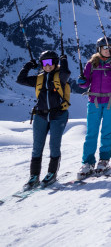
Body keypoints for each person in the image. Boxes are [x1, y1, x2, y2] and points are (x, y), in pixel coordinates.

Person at [18, 50, 71, 190]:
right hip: (40, 115)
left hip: (58, 115)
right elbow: (20, 79)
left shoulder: (60, 77)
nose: (47, 66)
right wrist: (28, 66)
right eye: (44, 63)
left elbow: (66, 72)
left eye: (50, 62)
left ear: (55, 63)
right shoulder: (39, 79)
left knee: (54, 145)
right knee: (37, 147)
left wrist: (63, 60)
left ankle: (51, 174)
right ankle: (34, 176)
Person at [77, 37, 111, 179]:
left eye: (110, 48)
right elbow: (85, 84)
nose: (108, 50)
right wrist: (82, 82)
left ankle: (104, 159)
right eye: (105, 48)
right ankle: (88, 162)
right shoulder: (92, 63)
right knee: (91, 132)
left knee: (107, 131)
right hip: (95, 101)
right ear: (99, 49)